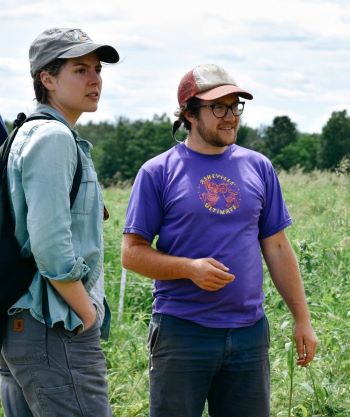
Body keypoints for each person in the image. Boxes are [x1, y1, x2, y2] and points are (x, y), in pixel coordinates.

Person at [122, 63, 318, 417]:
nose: (230, 117)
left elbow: (276, 246)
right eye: (218, 107)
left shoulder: (258, 167)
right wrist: (189, 269)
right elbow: (132, 254)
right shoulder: (159, 171)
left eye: (235, 106)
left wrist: (302, 318)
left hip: (248, 334)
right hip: (182, 333)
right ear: (189, 113)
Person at [0, 28, 119, 417]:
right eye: (80, 69)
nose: (95, 79)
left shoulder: (24, 134)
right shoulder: (53, 138)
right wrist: (86, 312)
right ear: (47, 79)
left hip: (23, 320)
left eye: (97, 69)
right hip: (54, 323)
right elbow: (50, 244)